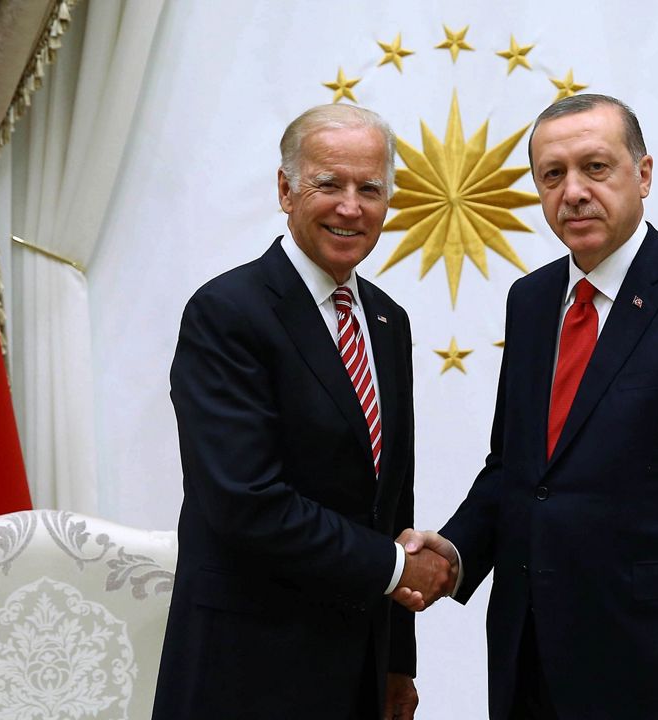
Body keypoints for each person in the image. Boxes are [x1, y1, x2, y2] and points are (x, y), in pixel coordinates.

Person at [397, 94, 658, 720]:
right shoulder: (530, 301)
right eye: (553, 175)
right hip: (529, 652)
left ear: (644, 173)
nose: (574, 191)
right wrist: (454, 551)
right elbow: (519, 470)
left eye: (596, 167)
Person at [153, 104, 454, 720]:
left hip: (358, 671)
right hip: (248, 667)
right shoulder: (227, 313)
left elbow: (392, 503)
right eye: (329, 184)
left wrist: (398, 663)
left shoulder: (387, 320)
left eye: (370, 188)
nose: (351, 206)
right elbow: (246, 500)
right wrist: (398, 567)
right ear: (286, 190)